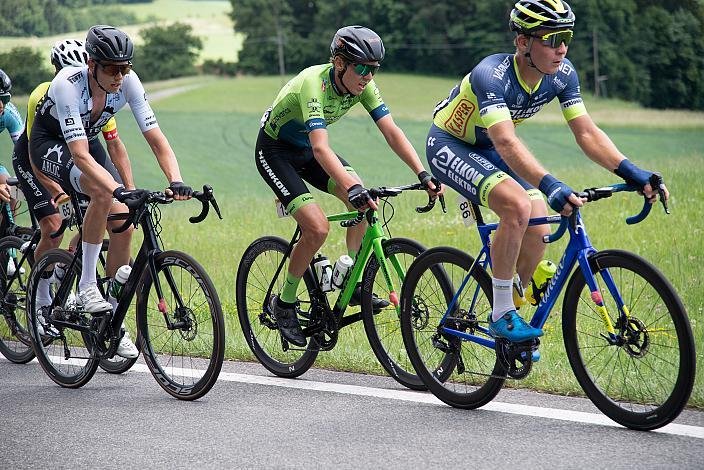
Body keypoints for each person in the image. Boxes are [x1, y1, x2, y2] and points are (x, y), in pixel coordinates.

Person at [425, 0, 667, 343]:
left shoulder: (562, 75)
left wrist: (632, 171)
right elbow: (507, 142)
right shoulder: (491, 75)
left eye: (566, 37)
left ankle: (514, 291)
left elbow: (586, 132)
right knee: (518, 206)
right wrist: (551, 183)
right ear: (523, 42)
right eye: (552, 39)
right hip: (451, 144)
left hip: (490, 148)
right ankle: (501, 313)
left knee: (538, 219)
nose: (562, 48)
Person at [256, 25, 444, 347]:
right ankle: (284, 303)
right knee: (316, 228)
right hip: (276, 152)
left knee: (364, 200)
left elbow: (391, 131)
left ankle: (351, 282)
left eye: (373, 70)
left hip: (308, 149)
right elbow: (320, 148)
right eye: (361, 68)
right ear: (339, 63)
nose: (367, 77)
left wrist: (422, 173)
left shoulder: (363, 85)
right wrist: (350, 187)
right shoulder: (314, 83)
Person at [29, 25, 192, 355]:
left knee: (124, 221)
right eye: (111, 69)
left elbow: (156, 138)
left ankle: (111, 323)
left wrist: (176, 180)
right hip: (51, 144)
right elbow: (78, 155)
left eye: (125, 67)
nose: (120, 76)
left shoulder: (129, 82)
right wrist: (118, 188)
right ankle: (87, 284)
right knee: (103, 192)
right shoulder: (67, 85)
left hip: (86, 141)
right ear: (92, 65)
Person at [12, 39, 134, 354]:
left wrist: (128, 189)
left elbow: (114, 145)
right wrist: (53, 191)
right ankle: (40, 301)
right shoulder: (48, 91)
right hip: (39, 157)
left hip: (79, 155)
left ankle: (75, 276)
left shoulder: (101, 95)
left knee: (112, 213)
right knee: (53, 225)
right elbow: (32, 148)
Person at [0, 69, 21, 203]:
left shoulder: (8, 113)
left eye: (4, 99)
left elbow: (26, 149)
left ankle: (9, 224)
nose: (1, 105)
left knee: (14, 193)